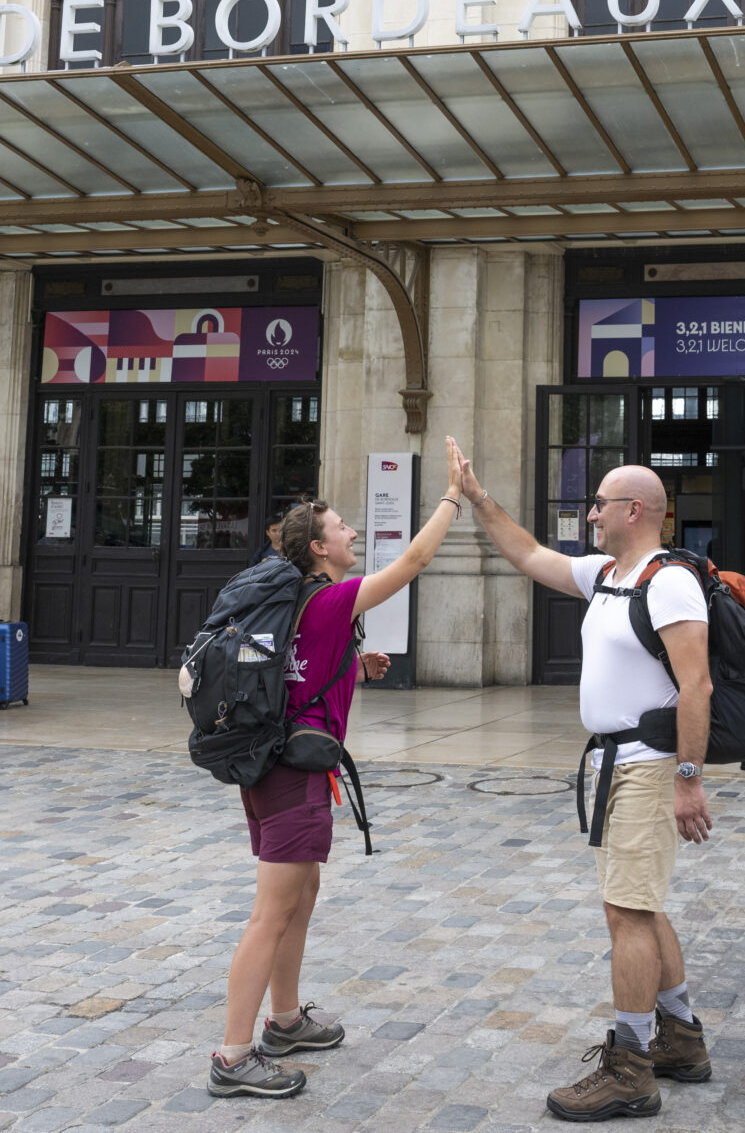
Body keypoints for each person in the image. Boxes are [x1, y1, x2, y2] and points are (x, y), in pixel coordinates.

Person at [458, 450, 715, 1122]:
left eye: (600, 503)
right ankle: (681, 1038)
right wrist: (479, 498)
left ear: (635, 510)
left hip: (650, 766)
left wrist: (689, 779)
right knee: (637, 906)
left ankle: (630, 1068)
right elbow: (528, 554)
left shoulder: (670, 583)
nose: (591, 513)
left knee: (628, 913)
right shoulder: (607, 574)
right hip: (612, 765)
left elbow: (697, 686)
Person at [208, 439, 466, 1101]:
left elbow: (295, 674)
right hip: (293, 774)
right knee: (271, 913)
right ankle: (233, 1055)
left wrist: (356, 665)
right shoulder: (328, 600)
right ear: (320, 548)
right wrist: (451, 496)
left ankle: (286, 1019)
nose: (353, 532)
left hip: (274, 768)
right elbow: (414, 560)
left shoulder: (299, 602)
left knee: (301, 895)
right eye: (342, 527)